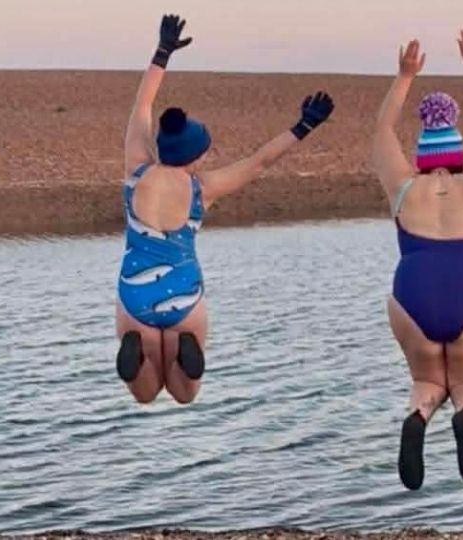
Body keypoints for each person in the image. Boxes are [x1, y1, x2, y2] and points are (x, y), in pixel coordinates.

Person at [114, 14, 335, 404]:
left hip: (134, 295)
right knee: (184, 394)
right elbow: (259, 162)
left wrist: (162, 51)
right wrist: (303, 126)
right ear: (197, 155)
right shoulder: (203, 188)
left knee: (145, 394)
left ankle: (136, 357)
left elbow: (143, 104)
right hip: (184, 293)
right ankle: (186, 356)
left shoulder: (136, 169)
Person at [369, 28, 463, 490]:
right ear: (459, 151)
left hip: (414, 299)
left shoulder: (405, 187)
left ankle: (419, 415)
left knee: (427, 379)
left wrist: (405, 75)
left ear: (421, 155)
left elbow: (382, 130)